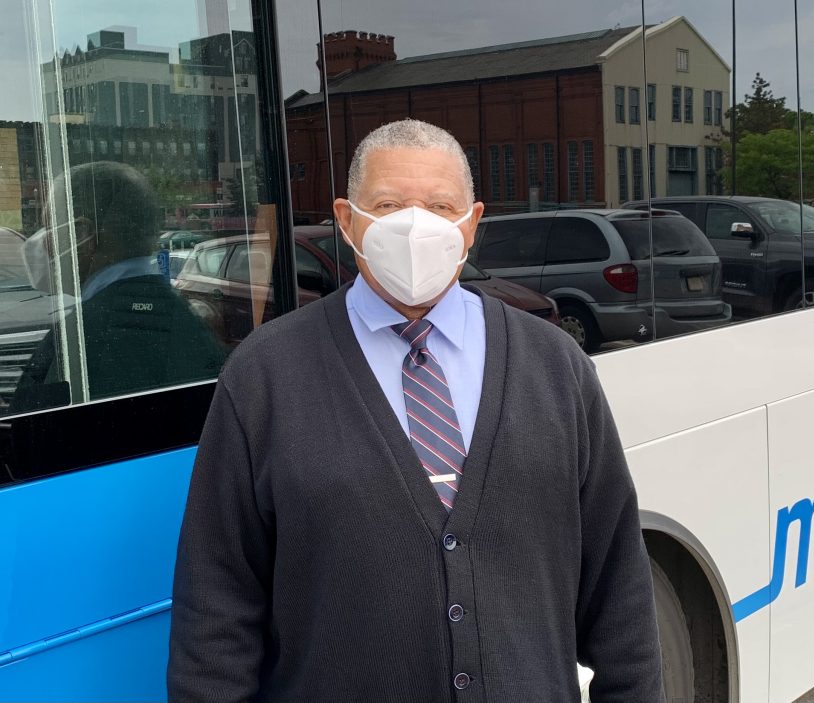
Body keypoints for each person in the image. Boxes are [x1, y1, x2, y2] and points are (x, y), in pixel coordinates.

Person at [168, 119, 664, 702]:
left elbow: (619, 587)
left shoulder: (555, 365)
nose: (415, 226)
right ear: (348, 221)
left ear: (471, 224)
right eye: (388, 204)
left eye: (439, 205)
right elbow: (216, 610)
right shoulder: (264, 376)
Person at [12, 161, 224, 411]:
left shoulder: (80, 340)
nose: (41, 243)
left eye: (49, 228)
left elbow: (33, 436)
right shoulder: (183, 316)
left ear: (81, 234)